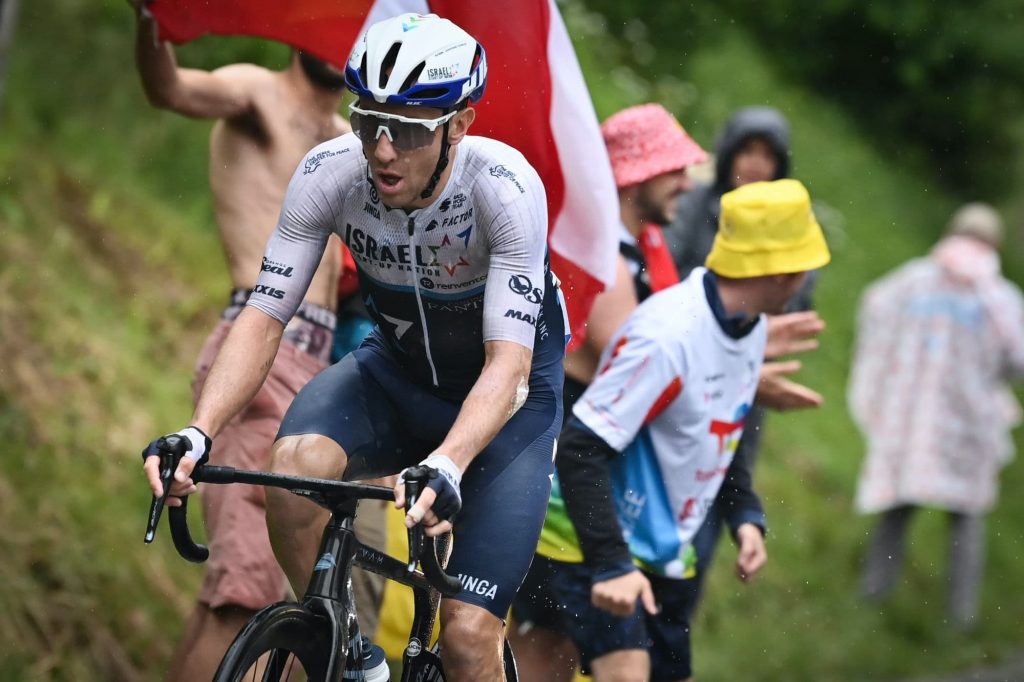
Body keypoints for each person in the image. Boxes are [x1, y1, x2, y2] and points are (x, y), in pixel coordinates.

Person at [142, 13, 566, 681]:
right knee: (291, 469)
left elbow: (508, 366)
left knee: (464, 637)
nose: (383, 150)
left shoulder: (504, 190)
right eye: (369, 122)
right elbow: (264, 312)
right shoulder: (329, 172)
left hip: (504, 412)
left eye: (408, 130)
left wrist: (451, 463)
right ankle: (347, 647)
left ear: (460, 124)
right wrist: (199, 432)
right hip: (391, 380)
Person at [128, 5, 380, 680]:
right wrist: (152, 20)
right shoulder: (259, 92)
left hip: (314, 369)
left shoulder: (350, 140)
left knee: (248, 601)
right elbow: (171, 90)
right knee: (241, 603)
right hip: (257, 359)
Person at [555, 179, 831, 682]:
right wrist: (612, 561)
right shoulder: (669, 337)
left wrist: (743, 513)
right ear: (781, 271)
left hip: (664, 553)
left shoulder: (746, 326)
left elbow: (720, 430)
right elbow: (578, 447)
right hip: (590, 539)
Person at [508, 103, 707, 681]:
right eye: (676, 169)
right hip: (568, 478)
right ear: (638, 174)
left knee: (556, 646)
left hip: (589, 474)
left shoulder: (639, 254)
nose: (687, 184)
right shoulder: (609, 264)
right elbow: (636, 372)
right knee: (550, 645)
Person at [664, 106, 825, 605]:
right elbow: (665, 278)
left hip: (743, 388)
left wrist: (751, 349)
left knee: (722, 474)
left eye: (767, 155)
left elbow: (794, 302)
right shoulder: (693, 207)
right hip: (677, 369)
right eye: (747, 150)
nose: (755, 164)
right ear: (729, 152)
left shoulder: (793, 227)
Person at [850, 202, 1024, 630]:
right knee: (965, 517)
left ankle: (874, 595)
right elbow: (1017, 360)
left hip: (913, 421)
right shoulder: (999, 297)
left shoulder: (914, 279)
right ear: (995, 244)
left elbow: (874, 308)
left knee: (898, 503)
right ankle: (959, 620)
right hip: (968, 425)